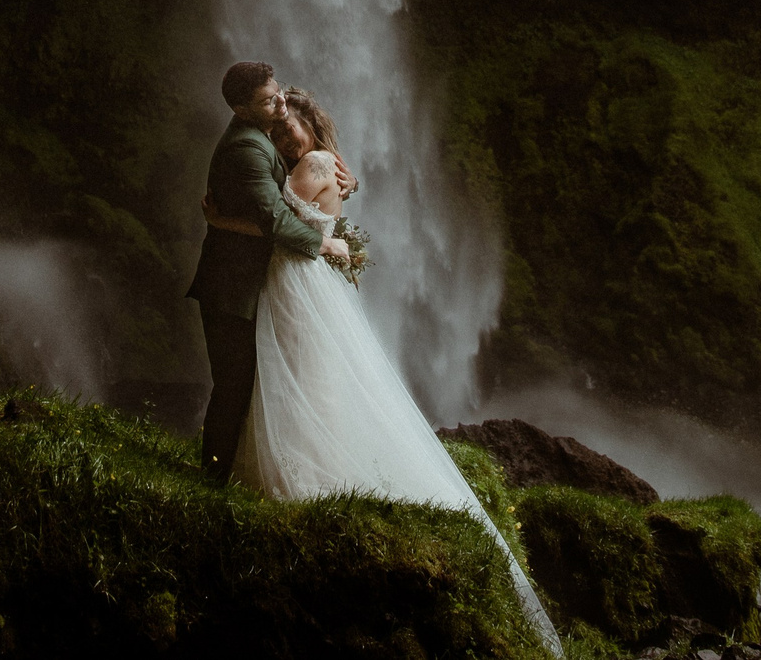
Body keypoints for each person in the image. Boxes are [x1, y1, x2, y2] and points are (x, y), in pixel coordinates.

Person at [202, 84, 563, 653]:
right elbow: (296, 214)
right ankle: (287, 472)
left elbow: (278, 220)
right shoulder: (310, 163)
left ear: (312, 129)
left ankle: (296, 477)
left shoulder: (315, 163)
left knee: (297, 375)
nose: (283, 133)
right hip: (293, 283)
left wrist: (224, 220)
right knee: (296, 377)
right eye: (277, 127)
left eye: (292, 126)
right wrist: (330, 220)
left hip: (295, 283)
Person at [185, 61, 349, 483]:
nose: (278, 104)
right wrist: (324, 241)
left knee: (264, 381)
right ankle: (213, 481)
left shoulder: (272, 134)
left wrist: (336, 174)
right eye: (267, 101)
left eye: (278, 94)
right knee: (235, 386)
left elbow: (299, 194)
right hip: (233, 287)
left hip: (270, 281)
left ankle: (241, 473)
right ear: (242, 110)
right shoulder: (247, 147)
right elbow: (277, 219)